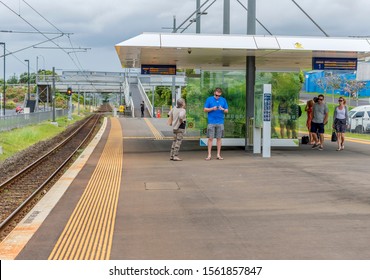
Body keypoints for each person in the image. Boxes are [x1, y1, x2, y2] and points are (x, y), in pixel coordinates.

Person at [203, 87, 229, 160]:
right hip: (211, 122)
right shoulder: (209, 99)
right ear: (214, 93)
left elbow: (227, 110)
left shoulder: (223, 100)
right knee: (210, 138)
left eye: (219, 96)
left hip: (220, 122)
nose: (218, 97)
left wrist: (223, 109)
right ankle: (209, 155)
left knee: (219, 138)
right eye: (216, 95)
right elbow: (205, 109)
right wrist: (212, 108)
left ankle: (218, 155)